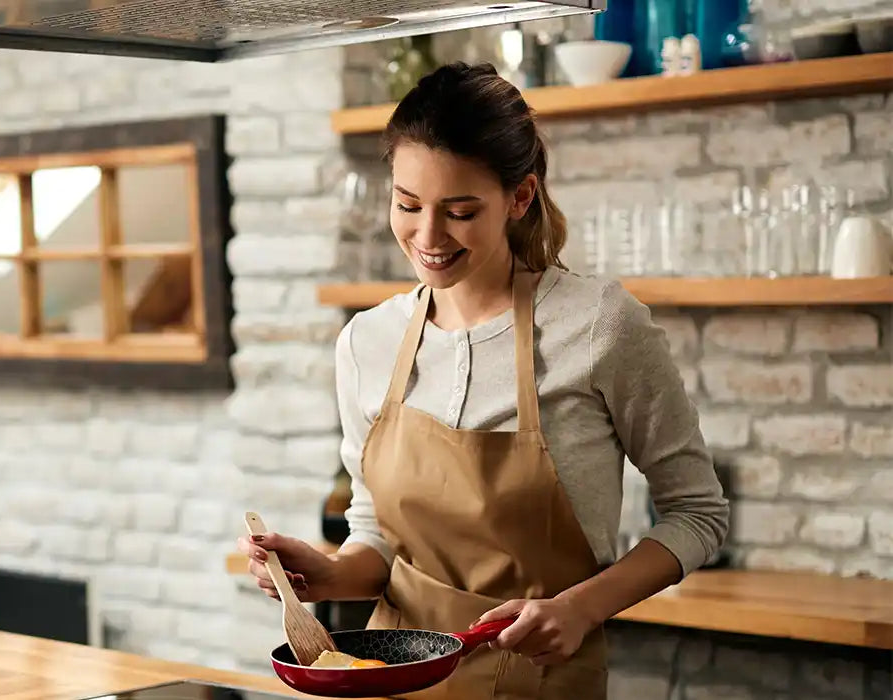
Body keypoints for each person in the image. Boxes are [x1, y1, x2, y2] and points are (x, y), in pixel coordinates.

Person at [236, 62, 729, 698]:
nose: (428, 236)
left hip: (539, 682)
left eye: (460, 211)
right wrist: (331, 576)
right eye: (407, 204)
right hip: (392, 681)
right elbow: (379, 535)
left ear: (519, 198)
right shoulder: (368, 341)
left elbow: (698, 514)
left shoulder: (599, 324)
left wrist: (583, 607)